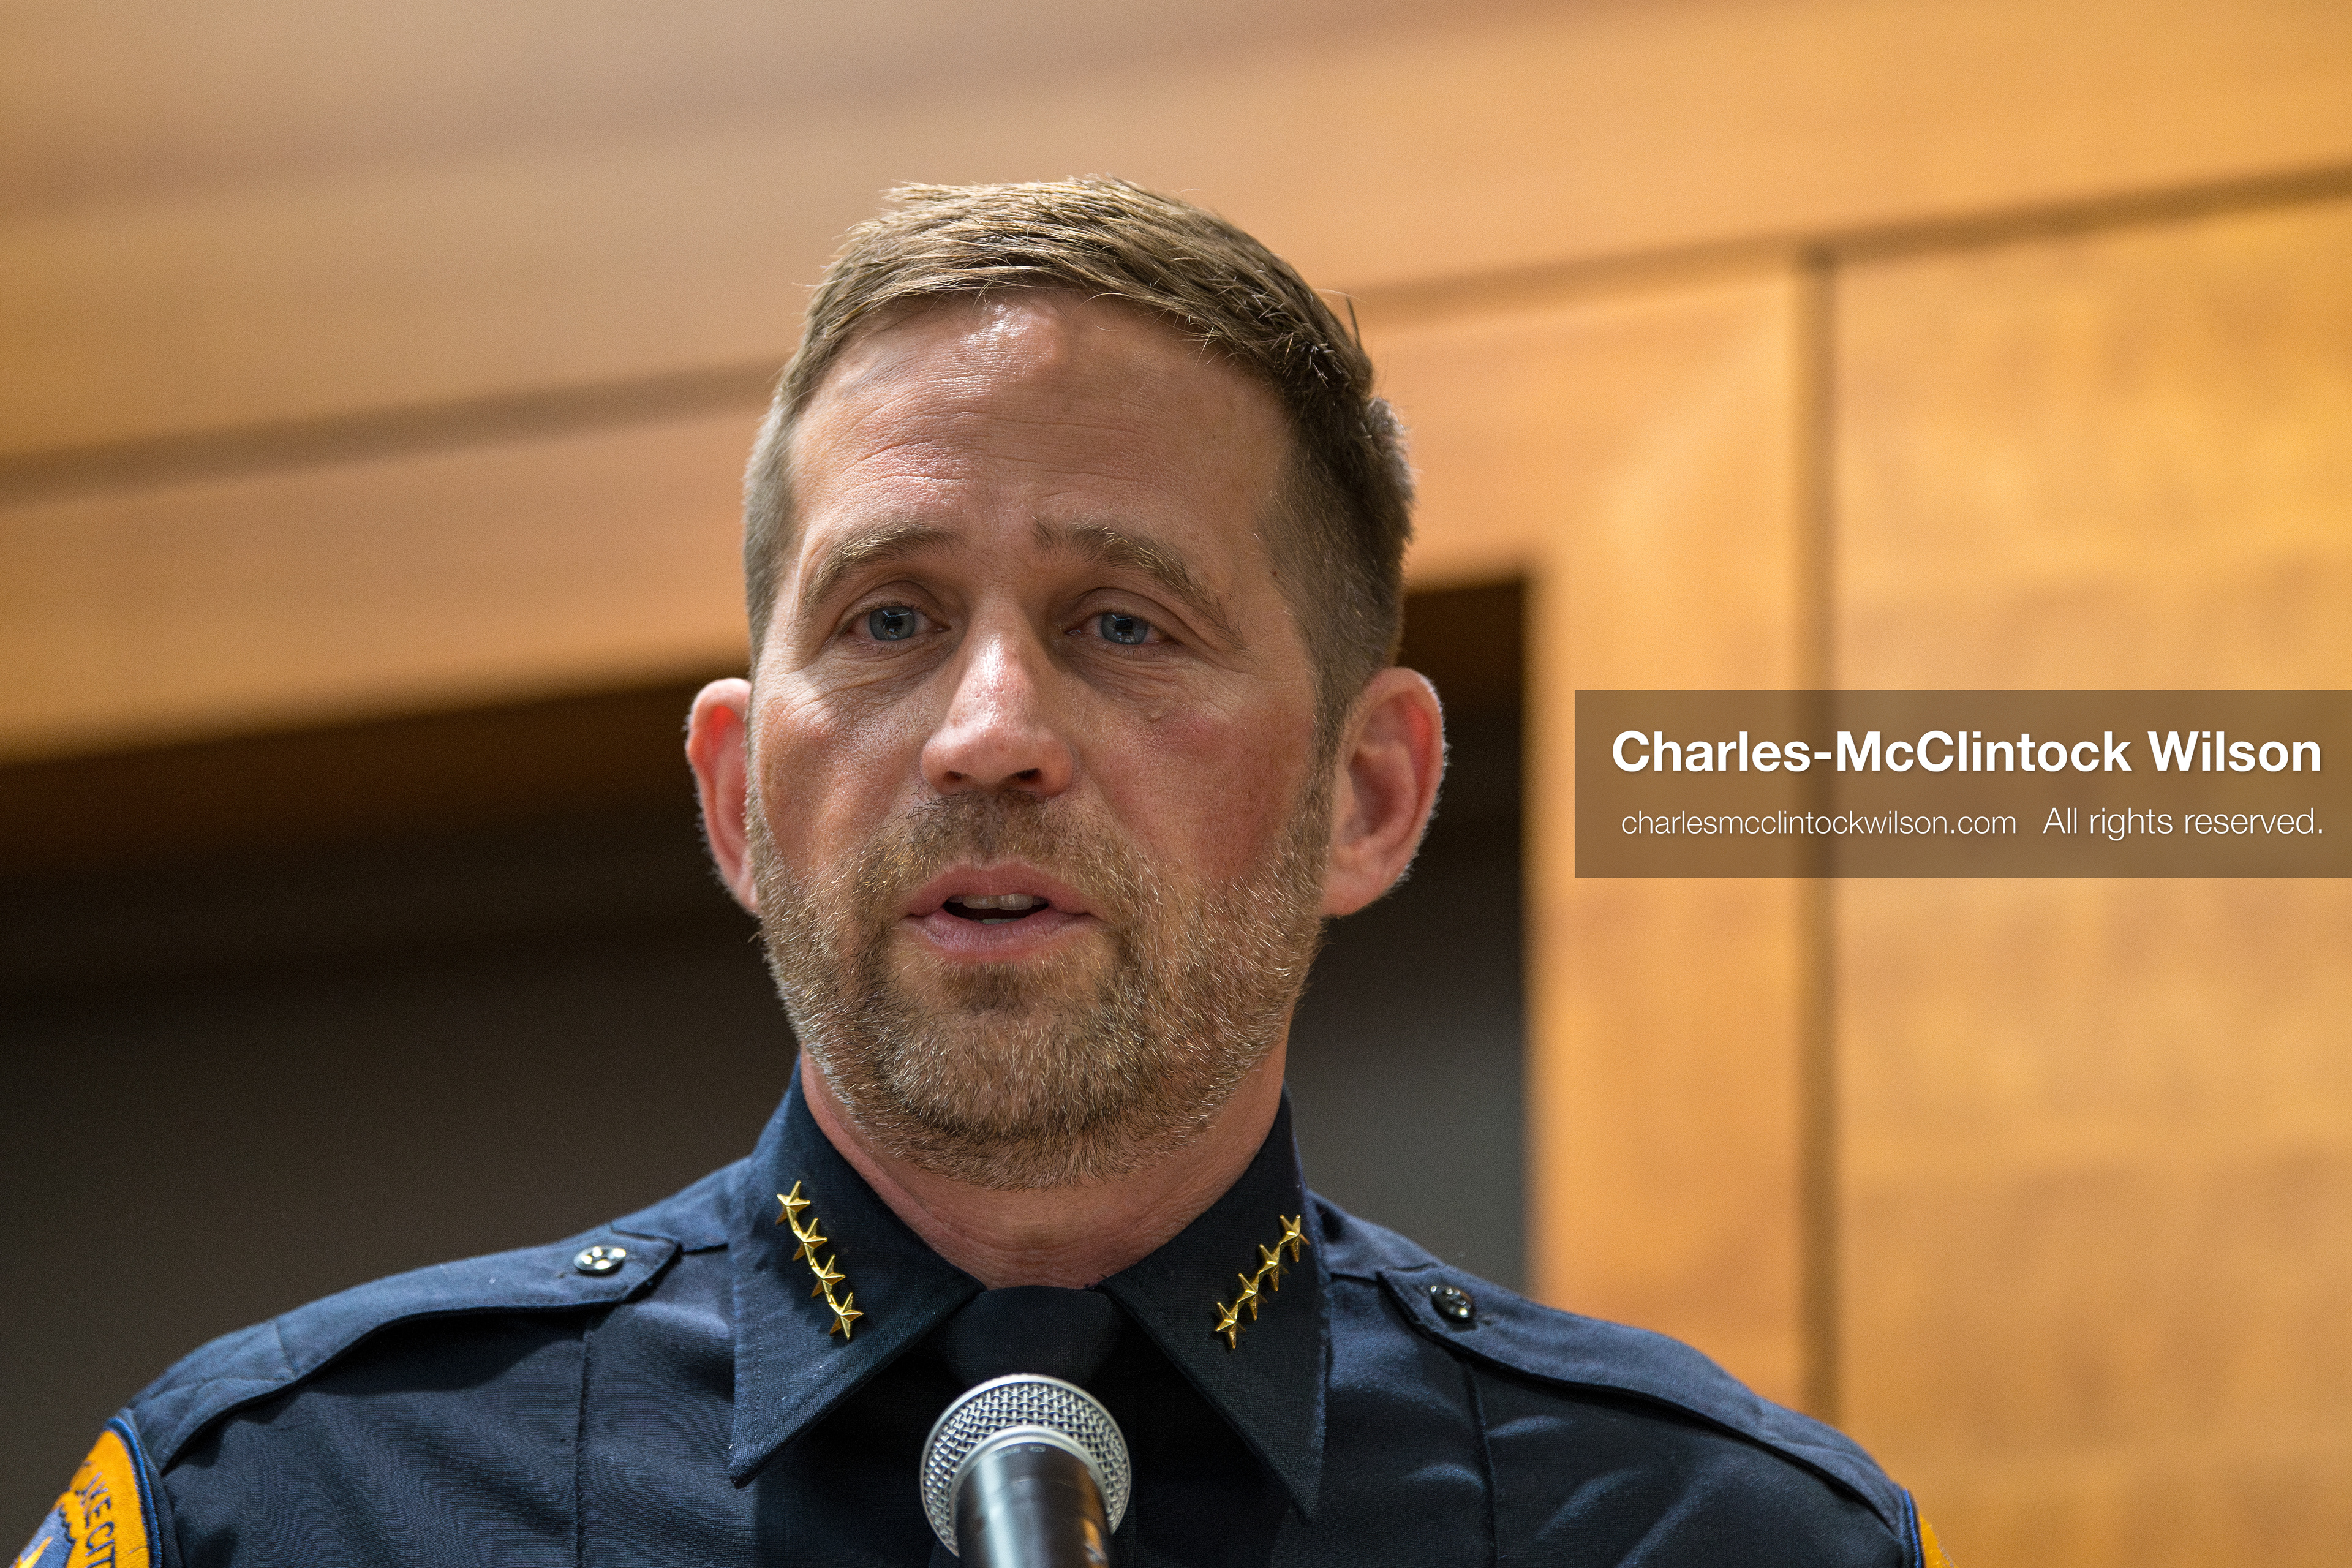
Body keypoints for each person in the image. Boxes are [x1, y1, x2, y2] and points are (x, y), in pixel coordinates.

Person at [19, 179, 1946, 1568]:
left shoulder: (1718, 1539)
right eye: (886, 622)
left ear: (1367, 792)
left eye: (1122, 624)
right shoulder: (287, 1508)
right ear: (739, 801)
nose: (986, 730)